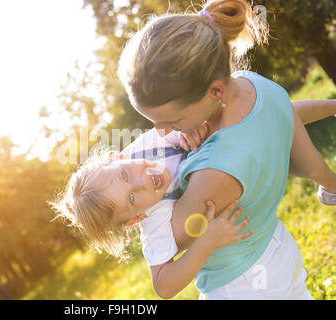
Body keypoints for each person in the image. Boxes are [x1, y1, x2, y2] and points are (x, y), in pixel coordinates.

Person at [116, 0, 336, 299]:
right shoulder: (257, 87)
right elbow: (286, 113)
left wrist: (132, 206)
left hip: (242, 285)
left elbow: (171, 245)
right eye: (155, 122)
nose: (162, 132)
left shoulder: (213, 172)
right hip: (276, 251)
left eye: (173, 120)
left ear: (214, 92)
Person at [50, 101, 335, 299]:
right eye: (133, 198)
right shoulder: (155, 221)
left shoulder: (147, 145)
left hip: (271, 248)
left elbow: (177, 121)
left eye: (125, 175)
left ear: (118, 158)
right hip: (237, 288)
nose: (141, 181)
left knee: (265, 115)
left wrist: (188, 129)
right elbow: (163, 286)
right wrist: (206, 241)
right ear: (136, 218)